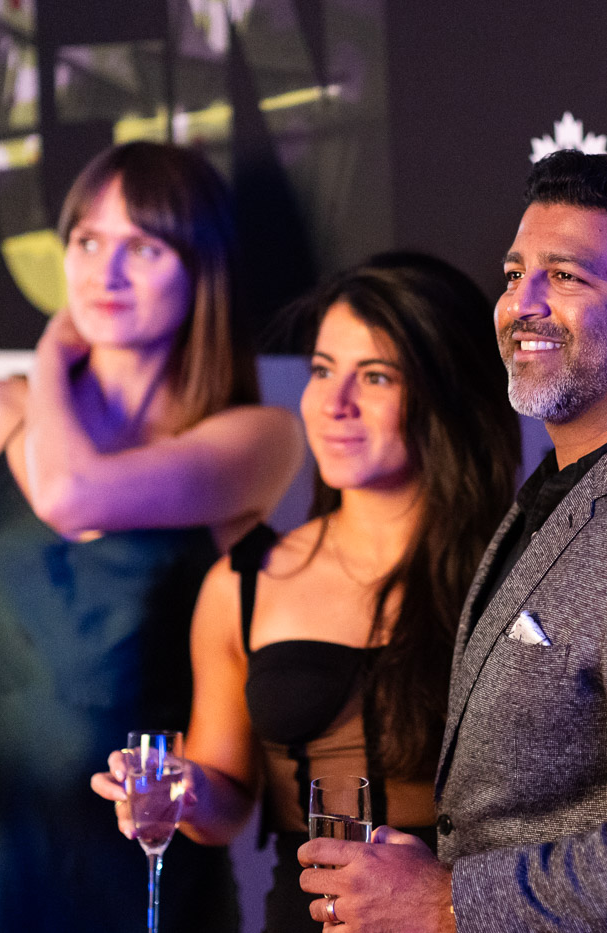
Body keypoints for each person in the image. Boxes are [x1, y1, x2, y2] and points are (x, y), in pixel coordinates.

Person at [297, 151, 607, 932]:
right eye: (515, 274)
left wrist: (446, 899)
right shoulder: (569, 482)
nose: (520, 304)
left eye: (565, 276)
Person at [0, 141, 305, 933]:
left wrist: (53, 355)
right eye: (87, 241)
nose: (104, 272)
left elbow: (66, 493)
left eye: (143, 247)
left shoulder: (255, 439)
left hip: (133, 867)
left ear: (203, 271)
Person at [91, 251, 521, 933]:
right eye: (322, 370)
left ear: (447, 393)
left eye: (375, 376)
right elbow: (226, 801)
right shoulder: (244, 581)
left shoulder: (524, 572)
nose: (334, 403)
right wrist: (184, 793)